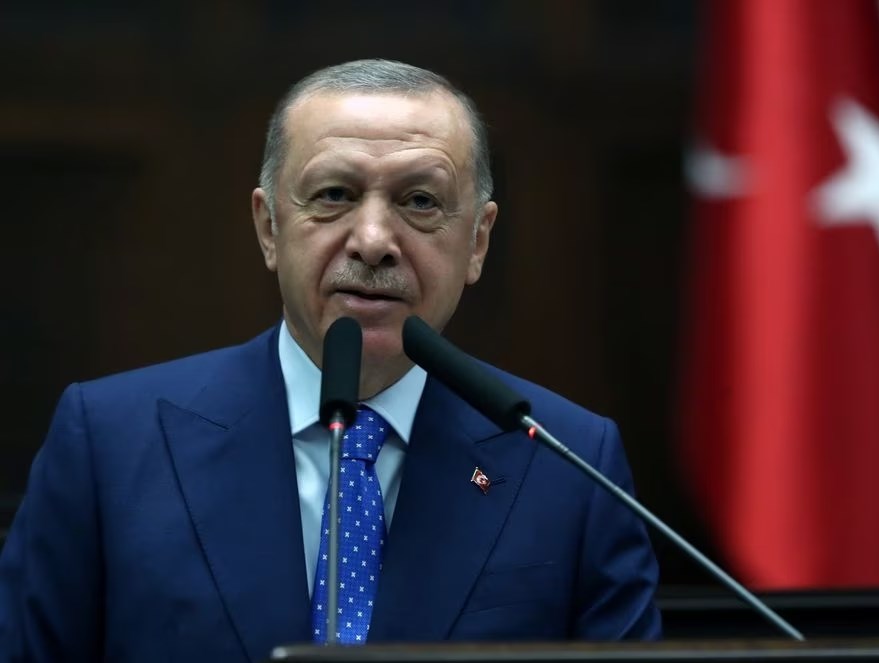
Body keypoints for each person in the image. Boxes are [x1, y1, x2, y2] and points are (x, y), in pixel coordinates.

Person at [0, 59, 661, 662]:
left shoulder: (569, 460)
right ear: (269, 227)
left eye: (420, 201)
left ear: (479, 241)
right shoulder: (109, 442)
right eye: (335, 195)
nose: (373, 241)